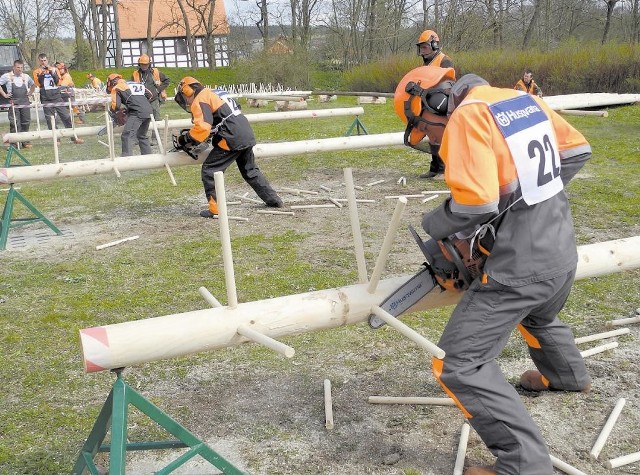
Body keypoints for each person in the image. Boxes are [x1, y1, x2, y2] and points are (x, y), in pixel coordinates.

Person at [394, 67, 592, 475]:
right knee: (539, 315)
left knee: (459, 364)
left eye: (423, 127)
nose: (430, 138)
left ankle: (525, 466)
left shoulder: (467, 116)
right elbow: (575, 151)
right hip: (560, 251)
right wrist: (522, 207)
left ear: (431, 103)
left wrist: (436, 224)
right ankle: (567, 376)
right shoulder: (517, 99)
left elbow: (474, 206)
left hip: (520, 268)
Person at [173, 76, 283, 218]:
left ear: (188, 91)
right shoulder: (215, 92)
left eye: (184, 97)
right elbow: (230, 111)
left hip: (231, 136)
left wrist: (185, 139)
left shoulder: (200, 99)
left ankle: (215, 209)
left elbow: (202, 128)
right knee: (250, 171)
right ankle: (274, 200)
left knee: (210, 170)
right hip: (244, 130)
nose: (186, 102)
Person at [415, 30, 453, 179]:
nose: (422, 51)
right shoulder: (427, 63)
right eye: (421, 48)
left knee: (440, 136)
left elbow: (448, 84)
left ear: (434, 45)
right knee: (432, 136)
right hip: (428, 103)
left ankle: (443, 170)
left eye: (424, 47)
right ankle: (434, 168)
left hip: (441, 104)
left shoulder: (445, 61)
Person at [32, 53, 84, 144]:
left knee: (66, 116)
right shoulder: (36, 71)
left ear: (47, 60)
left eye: (45, 60)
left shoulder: (54, 69)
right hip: (45, 95)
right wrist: (42, 74)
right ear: (38, 61)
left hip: (56, 94)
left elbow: (57, 81)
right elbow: (38, 84)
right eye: (41, 61)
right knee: (50, 119)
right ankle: (56, 139)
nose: (43, 62)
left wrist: (51, 72)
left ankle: (73, 137)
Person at [106, 73, 153, 157]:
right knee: (141, 135)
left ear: (112, 82)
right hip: (148, 111)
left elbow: (116, 105)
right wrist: (130, 107)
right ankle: (148, 157)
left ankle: (126, 158)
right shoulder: (134, 83)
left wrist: (113, 113)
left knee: (127, 135)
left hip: (137, 112)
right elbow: (150, 95)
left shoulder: (117, 87)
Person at [0, 59, 35, 149]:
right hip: (13, 103)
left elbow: (33, 85)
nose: (20, 69)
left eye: (21, 67)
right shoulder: (7, 76)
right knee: (15, 122)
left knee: (26, 122)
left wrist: (30, 93)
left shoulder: (26, 76)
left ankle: (25, 141)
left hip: (25, 102)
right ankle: (14, 143)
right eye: (18, 67)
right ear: (14, 67)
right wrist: (4, 94)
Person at [131, 54, 170, 121]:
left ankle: (155, 132)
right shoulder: (135, 74)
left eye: (146, 64)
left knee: (156, 119)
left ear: (149, 64)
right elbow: (131, 87)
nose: (144, 66)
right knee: (142, 120)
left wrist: (158, 90)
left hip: (154, 100)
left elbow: (167, 80)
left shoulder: (155, 72)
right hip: (141, 101)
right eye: (142, 64)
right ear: (139, 64)